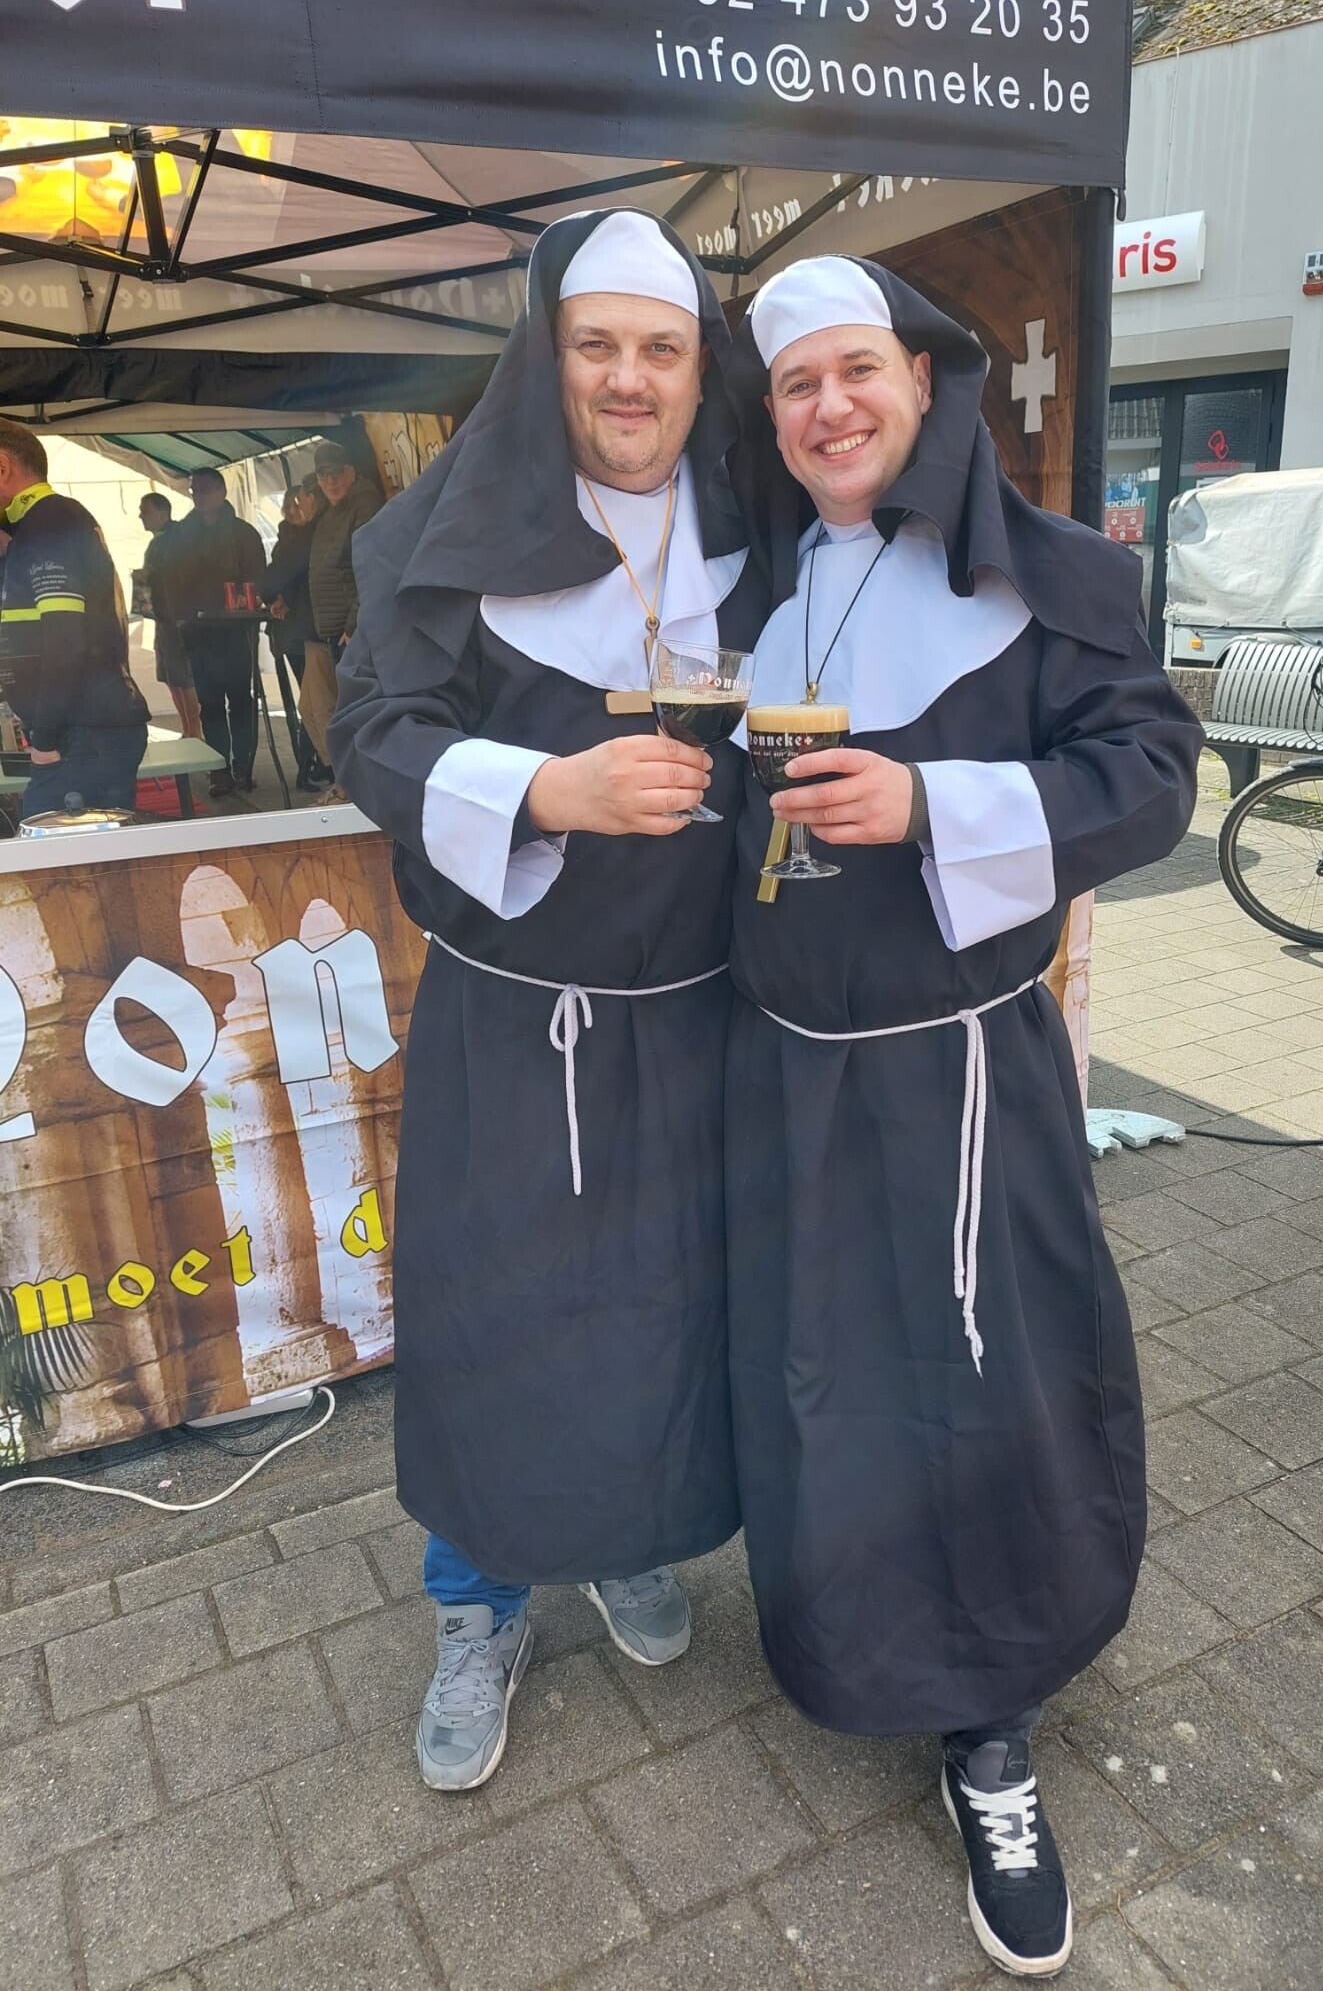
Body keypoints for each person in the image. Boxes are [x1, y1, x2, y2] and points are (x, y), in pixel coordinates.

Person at [722, 258, 1203, 1979]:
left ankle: (993, 1728)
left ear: (923, 381)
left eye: (856, 370)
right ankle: (852, 1643)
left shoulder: (1055, 572)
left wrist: (935, 801)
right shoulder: (759, 588)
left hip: (963, 1075)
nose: (829, 408)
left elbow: (1152, 782)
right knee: (831, 1380)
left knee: (981, 1388)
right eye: (796, 385)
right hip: (789, 1073)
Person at [329, 210, 765, 1797]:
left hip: (697, 1007)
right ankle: (479, 1602)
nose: (629, 379)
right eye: (598, 347)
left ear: (697, 368)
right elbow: (372, 734)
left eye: (660, 348)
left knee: (667, 1299)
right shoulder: (444, 526)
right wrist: (545, 790)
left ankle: (626, 1533)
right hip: (518, 1015)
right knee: (497, 1308)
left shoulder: (762, 520)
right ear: (548, 356)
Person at [0, 417, 149, 820]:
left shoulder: (50, 521)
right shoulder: (35, 527)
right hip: (80, 729)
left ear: (3, 467)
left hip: (82, 734)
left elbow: (65, 639)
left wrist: (45, 739)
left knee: (52, 854)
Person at [164, 468, 265, 797]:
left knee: (241, 700)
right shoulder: (181, 535)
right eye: (194, 491)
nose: (199, 496)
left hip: (237, 631)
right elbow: (170, 581)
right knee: (209, 704)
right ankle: (219, 770)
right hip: (199, 632)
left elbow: (258, 576)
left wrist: (249, 600)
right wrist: (180, 619)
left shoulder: (243, 534)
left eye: (205, 490)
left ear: (222, 492)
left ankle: (243, 767)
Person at [303, 440, 383, 802]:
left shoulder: (364, 505)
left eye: (336, 474)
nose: (331, 481)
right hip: (337, 631)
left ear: (351, 473)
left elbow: (370, 570)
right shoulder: (333, 510)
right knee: (339, 710)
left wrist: (354, 624)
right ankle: (350, 783)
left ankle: (358, 787)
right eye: (324, 476)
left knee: (356, 712)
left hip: (353, 632)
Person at [260, 476, 330, 791]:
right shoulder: (298, 537)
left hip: (307, 629)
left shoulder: (302, 536)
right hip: (303, 630)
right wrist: (277, 597)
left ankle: (318, 766)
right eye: (291, 505)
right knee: (313, 704)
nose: (295, 510)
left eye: (300, 503)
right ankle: (316, 765)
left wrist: (277, 597)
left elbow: (277, 579)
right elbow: (277, 579)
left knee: (315, 704)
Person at [137, 490, 201, 741]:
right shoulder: (157, 543)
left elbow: (181, 578)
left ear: (163, 514)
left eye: (146, 511)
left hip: (178, 618)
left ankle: (195, 730)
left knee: (183, 677)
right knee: (170, 676)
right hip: (163, 618)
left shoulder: (178, 540)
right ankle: (187, 728)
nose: (141, 516)